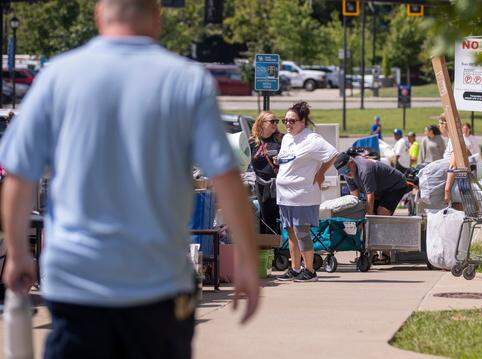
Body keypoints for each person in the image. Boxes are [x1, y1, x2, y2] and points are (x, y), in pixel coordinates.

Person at [0, 1, 260, 358]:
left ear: (99, 15)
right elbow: (226, 177)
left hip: (77, 282)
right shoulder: (186, 79)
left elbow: (19, 175)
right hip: (158, 283)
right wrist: (246, 257)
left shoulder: (58, 77)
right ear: (157, 18)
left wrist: (16, 253)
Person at [276, 101, 338, 283]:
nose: (287, 124)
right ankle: (295, 269)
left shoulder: (312, 139)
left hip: (302, 195)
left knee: (302, 232)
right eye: (285, 120)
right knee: (291, 233)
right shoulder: (287, 138)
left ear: (303, 121)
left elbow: (333, 154)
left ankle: (309, 271)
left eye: (292, 121)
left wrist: (320, 173)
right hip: (285, 195)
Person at [334, 152, 410, 216]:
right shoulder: (347, 175)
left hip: (395, 185)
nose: (346, 173)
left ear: (351, 163)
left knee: (381, 213)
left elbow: (370, 196)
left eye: (345, 170)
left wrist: (368, 218)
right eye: (342, 172)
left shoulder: (365, 171)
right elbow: (355, 197)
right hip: (379, 188)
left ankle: (382, 232)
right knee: (365, 210)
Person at [249, 111, 283, 235]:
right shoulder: (253, 142)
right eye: (272, 121)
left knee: (280, 218)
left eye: (276, 121)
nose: (275, 124)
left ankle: (280, 249)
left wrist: (280, 160)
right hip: (261, 186)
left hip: (279, 184)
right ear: (261, 123)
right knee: (265, 219)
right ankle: (268, 250)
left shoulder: (281, 139)